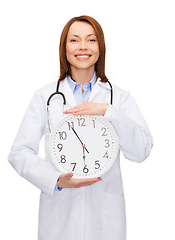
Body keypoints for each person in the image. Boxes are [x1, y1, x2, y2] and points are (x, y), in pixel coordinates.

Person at [8, 15, 153, 240]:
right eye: (74, 40)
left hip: (105, 217)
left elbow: (141, 150)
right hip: (59, 216)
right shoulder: (46, 97)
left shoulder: (118, 98)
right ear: (64, 48)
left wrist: (108, 112)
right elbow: (19, 152)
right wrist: (55, 179)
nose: (82, 46)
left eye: (91, 40)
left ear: (100, 47)